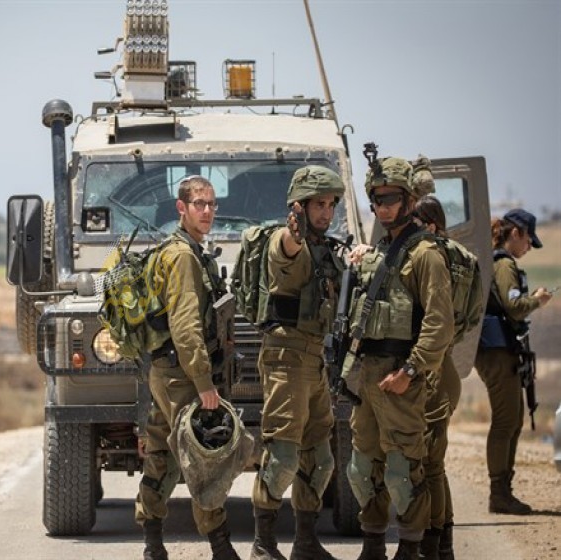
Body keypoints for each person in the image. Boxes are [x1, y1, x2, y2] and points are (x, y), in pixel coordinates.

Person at [344, 156, 454, 560]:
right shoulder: (382, 251)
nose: (383, 207)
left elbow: (439, 324)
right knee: (363, 468)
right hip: (369, 377)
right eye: (376, 200)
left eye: (390, 198)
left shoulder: (426, 254)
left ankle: (410, 548)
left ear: (409, 200)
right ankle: (373, 543)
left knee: (403, 470)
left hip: (401, 377)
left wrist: (410, 370)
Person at [134, 175, 242, 560]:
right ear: (182, 208)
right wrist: (203, 382)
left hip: (166, 372)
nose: (207, 211)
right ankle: (221, 547)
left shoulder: (185, 249)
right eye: (199, 204)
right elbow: (185, 325)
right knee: (204, 455)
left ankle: (153, 545)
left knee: (161, 455)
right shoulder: (182, 256)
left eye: (212, 204)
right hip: (182, 375)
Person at [249, 165, 344, 560]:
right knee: (283, 458)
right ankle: (263, 544)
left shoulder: (326, 247)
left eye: (331, 205)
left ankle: (305, 542)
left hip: (315, 359)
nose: (326, 212)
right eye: (318, 204)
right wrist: (294, 232)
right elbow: (285, 251)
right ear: (299, 207)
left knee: (320, 459)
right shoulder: (287, 240)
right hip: (286, 358)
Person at [474, 208, 553, 515]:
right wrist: (538, 300)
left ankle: (504, 490)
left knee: (513, 419)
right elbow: (515, 306)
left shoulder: (500, 262)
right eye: (528, 240)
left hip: (499, 349)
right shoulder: (504, 263)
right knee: (506, 421)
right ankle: (499, 493)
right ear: (516, 233)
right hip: (496, 352)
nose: (529, 247)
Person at [412, 195, 460, 560]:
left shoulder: (435, 260)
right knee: (432, 465)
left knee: (430, 465)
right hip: (438, 370)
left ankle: (437, 544)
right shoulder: (441, 256)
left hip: (435, 373)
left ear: (430, 225)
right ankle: (441, 544)